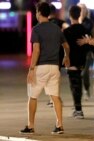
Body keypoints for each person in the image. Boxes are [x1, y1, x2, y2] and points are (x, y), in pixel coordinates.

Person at [19, 2, 70, 134]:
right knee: (55, 97)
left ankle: (30, 126)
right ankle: (59, 126)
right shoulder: (56, 28)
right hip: (54, 67)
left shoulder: (36, 29)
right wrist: (66, 56)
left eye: (36, 12)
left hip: (41, 67)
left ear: (39, 13)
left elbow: (36, 50)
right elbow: (66, 46)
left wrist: (31, 70)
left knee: (32, 97)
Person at [63, 5, 89, 119]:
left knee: (74, 85)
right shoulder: (84, 29)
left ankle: (78, 110)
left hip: (71, 60)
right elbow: (90, 44)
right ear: (80, 15)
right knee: (78, 83)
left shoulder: (67, 31)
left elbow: (64, 47)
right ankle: (77, 107)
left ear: (70, 15)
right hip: (82, 60)